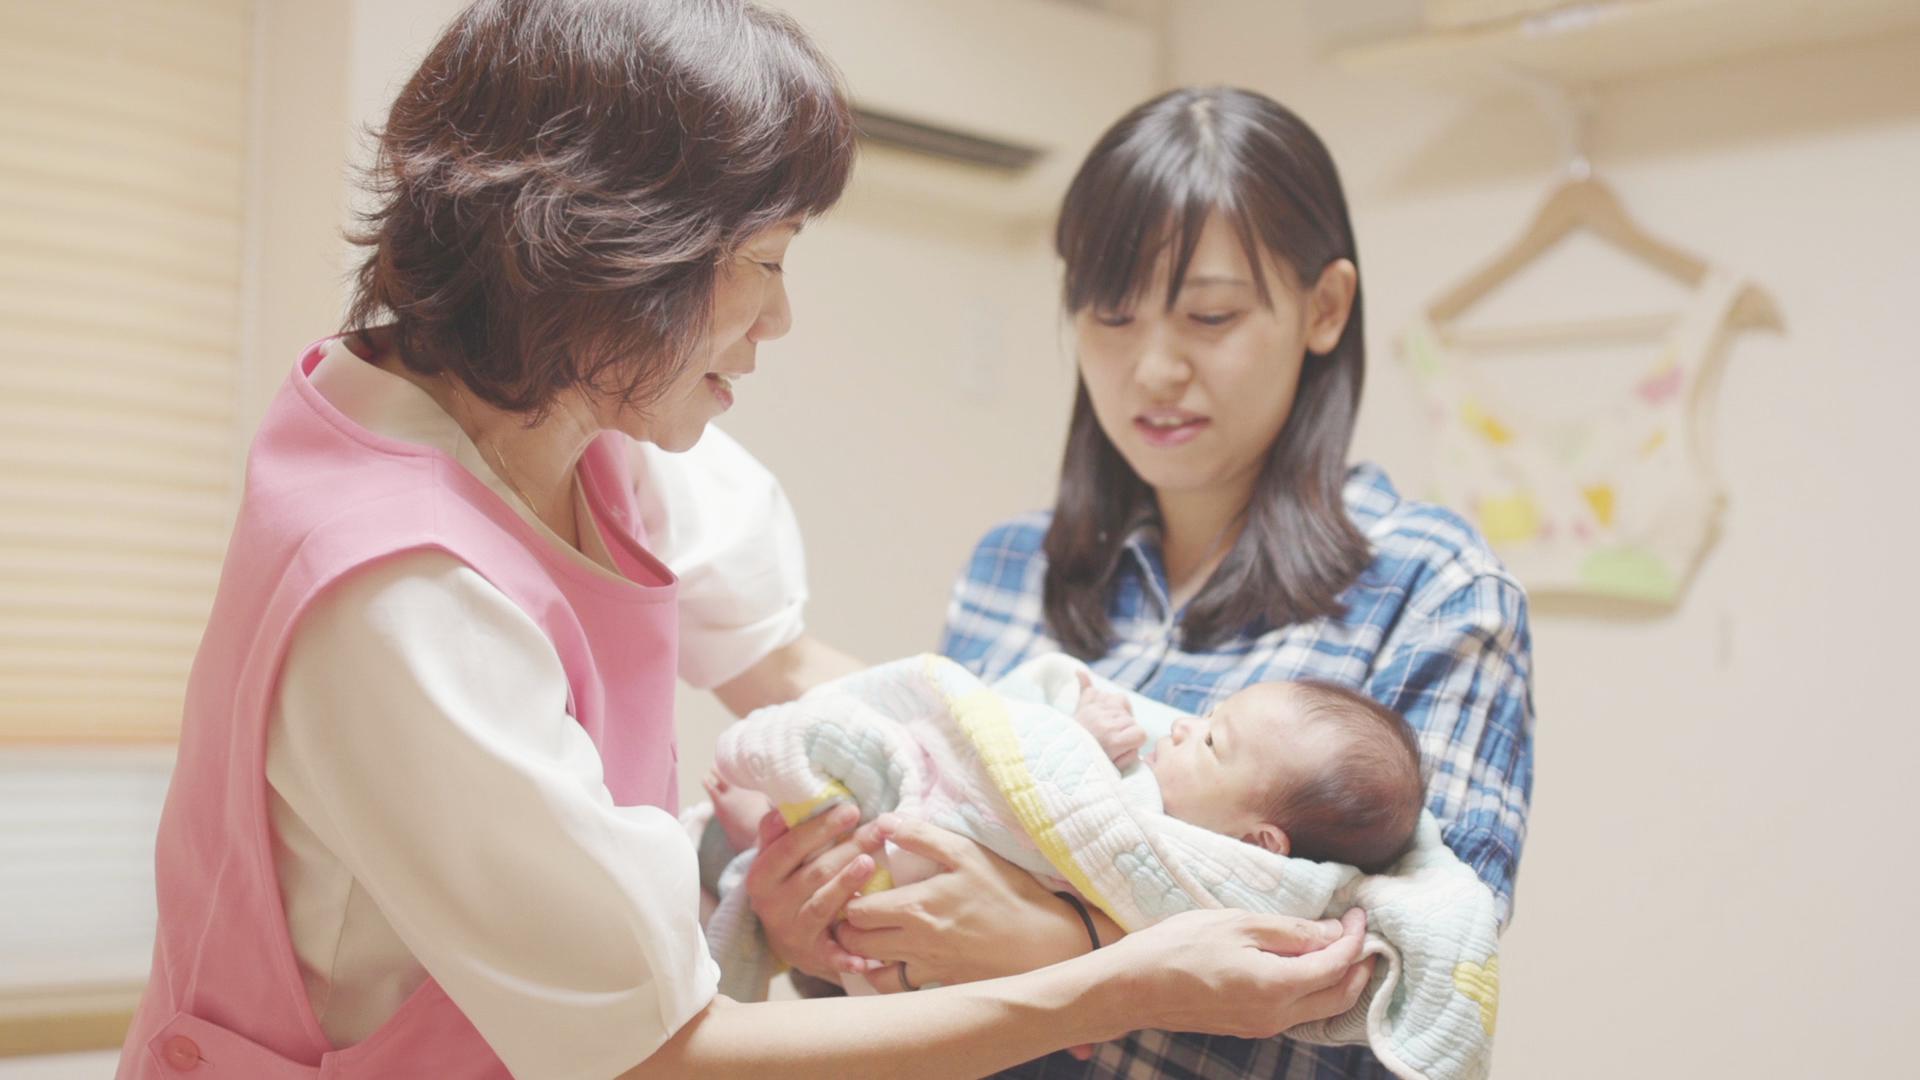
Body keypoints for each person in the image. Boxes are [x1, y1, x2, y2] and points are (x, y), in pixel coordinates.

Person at [116, 5, 1378, 1078]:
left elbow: (788, 674)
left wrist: (1000, 796)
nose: (780, 319)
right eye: (761, 262)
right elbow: (664, 1050)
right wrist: (1118, 976)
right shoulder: (401, 599)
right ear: (612, 260)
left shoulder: (573, 411)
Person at [746, 86, 1535, 1078]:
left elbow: (1415, 982)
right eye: (1112, 317)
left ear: (1325, 308)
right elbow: (929, 866)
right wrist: (815, 922)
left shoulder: (1438, 593)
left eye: (1209, 315)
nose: (1153, 368)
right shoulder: (1011, 569)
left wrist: (1068, 958)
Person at [1072, 673, 1423, 872]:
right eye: (1209, 715)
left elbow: (1051, 802)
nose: (1180, 725)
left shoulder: (1182, 872)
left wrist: (1079, 741)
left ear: (1258, 842)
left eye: (1210, 742)